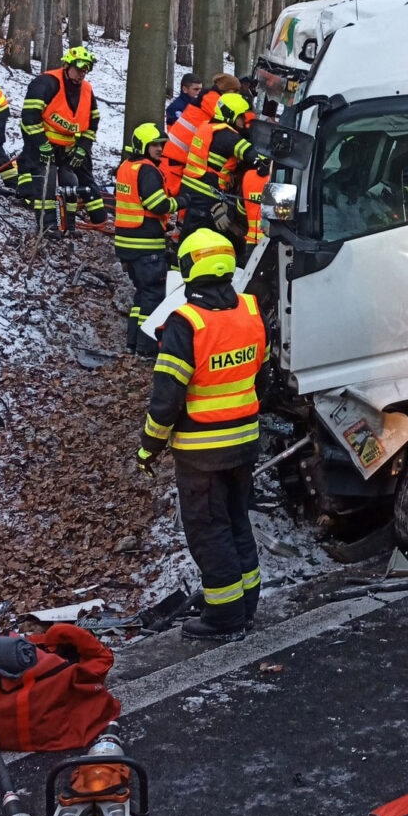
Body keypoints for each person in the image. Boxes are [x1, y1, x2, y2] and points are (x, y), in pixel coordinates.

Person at [136, 229, 269, 640]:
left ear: (189, 269)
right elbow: (261, 373)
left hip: (201, 453)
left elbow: (166, 399)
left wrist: (149, 448)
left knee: (209, 533)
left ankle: (225, 618)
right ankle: (246, 606)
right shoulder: (249, 310)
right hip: (244, 444)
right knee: (237, 522)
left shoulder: (186, 323)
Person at [19, 46, 101, 235]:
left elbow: (93, 122)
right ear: (67, 66)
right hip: (40, 141)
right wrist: (42, 144)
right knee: (46, 183)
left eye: (85, 70)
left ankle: (68, 226)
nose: (82, 74)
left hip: (66, 147)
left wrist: (83, 148)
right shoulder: (47, 83)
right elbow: (29, 117)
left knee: (70, 181)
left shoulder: (87, 90)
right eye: (79, 69)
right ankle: (47, 226)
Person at [114, 123, 178, 357]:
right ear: (143, 146)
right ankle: (146, 347)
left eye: (161, 144)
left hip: (127, 243)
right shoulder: (148, 170)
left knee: (142, 295)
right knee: (153, 295)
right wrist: (180, 203)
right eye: (154, 145)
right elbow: (157, 204)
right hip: (145, 245)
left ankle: (132, 343)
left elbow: (135, 204)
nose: (160, 149)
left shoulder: (126, 167)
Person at [178, 92, 260, 239]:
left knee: (190, 234)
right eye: (241, 116)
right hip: (207, 196)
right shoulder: (228, 136)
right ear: (231, 115)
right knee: (203, 238)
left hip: (190, 191)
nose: (244, 120)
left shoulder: (207, 127)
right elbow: (253, 155)